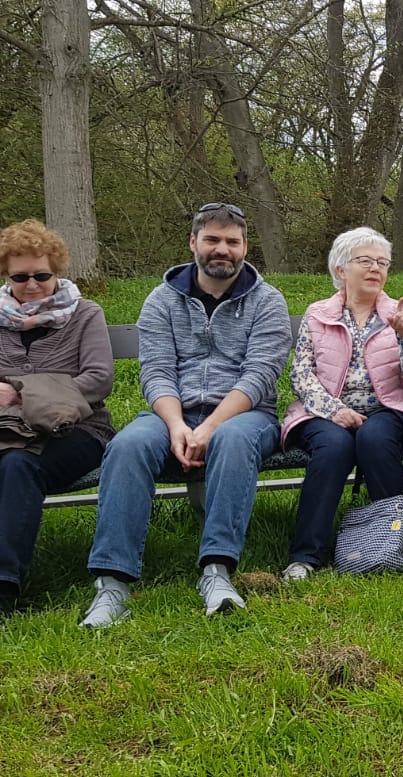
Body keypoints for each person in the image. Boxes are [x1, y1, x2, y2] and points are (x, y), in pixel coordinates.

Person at [80, 203, 291, 627]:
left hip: (247, 415)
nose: (222, 249)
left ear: (244, 247)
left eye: (232, 241)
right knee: (128, 445)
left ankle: (217, 571)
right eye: (212, 239)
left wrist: (210, 426)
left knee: (232, 439)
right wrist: (177, 425)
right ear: (193, 242)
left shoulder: (267, 301)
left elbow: (260, 375)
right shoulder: (162, 300)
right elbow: (156, 371)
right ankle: (113, 584)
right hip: (171, 412)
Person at [279, 227, 403, 580]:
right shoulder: (318, 314)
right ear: (341, 269)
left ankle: (392, 545)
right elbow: (301, 376)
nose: (376, 268)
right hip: (323, 412)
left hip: (389, 408)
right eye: (365, 261)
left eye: (383, 262)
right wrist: (335, 411)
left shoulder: (398, 312)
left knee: (374, 438)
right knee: (333, 447)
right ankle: (305, 556)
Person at [0, 220, 114, 618]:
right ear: (6, 275)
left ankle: (4, 586)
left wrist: (20, 393)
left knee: (18, 466)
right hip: (6, 430)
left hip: (79, 430)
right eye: (20, 277)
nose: (32, 285)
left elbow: (97, 380)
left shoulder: (85, 314)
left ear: (57, 272)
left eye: (42, 276)